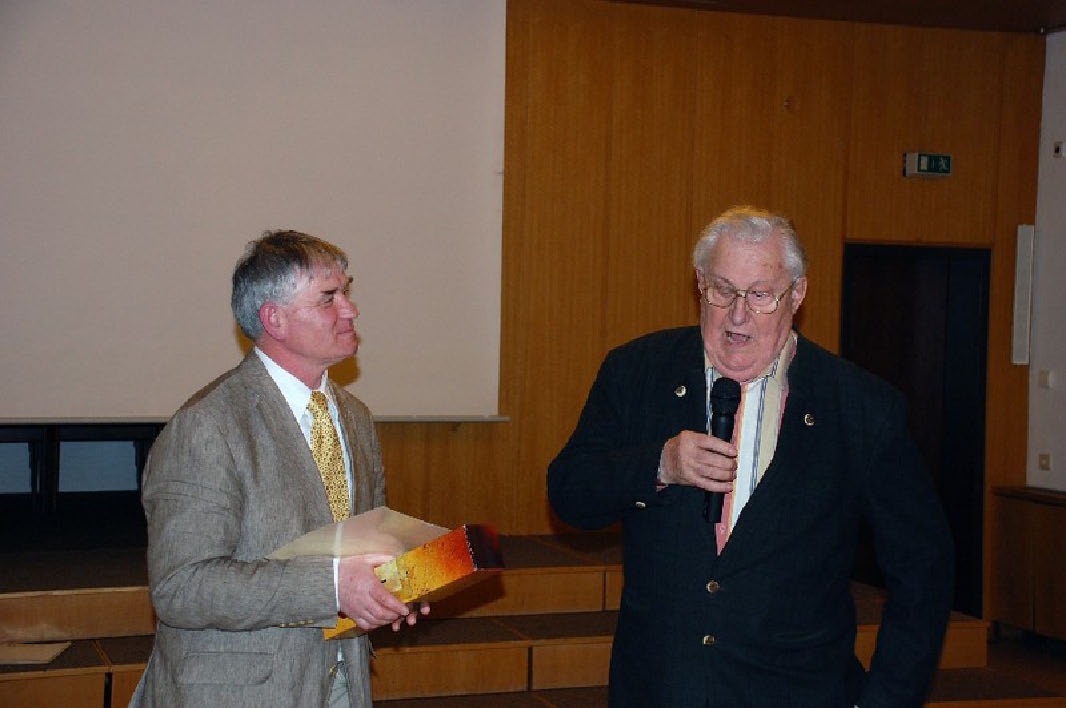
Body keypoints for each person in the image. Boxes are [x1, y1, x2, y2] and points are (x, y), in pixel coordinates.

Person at [547, 206, 954, 707]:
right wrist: (659, 465)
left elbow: (923, 568)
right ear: (700, 283)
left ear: (797, 294)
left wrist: (886, 700)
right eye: (723, 290)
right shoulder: (637, 373)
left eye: (760, 295)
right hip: (660, 690)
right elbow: (569, 492)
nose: (738, 315)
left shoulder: (860, 408)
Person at [132, 231, 425, 707]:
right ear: (275, 319)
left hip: (342, 679)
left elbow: (360, 541)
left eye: (346, 292)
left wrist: (394, 582)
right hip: (240, 692)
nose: (350, 310)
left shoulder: (354, 416)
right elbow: (181, 588)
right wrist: (333, 587)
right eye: (328, 298)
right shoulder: (208, 425)